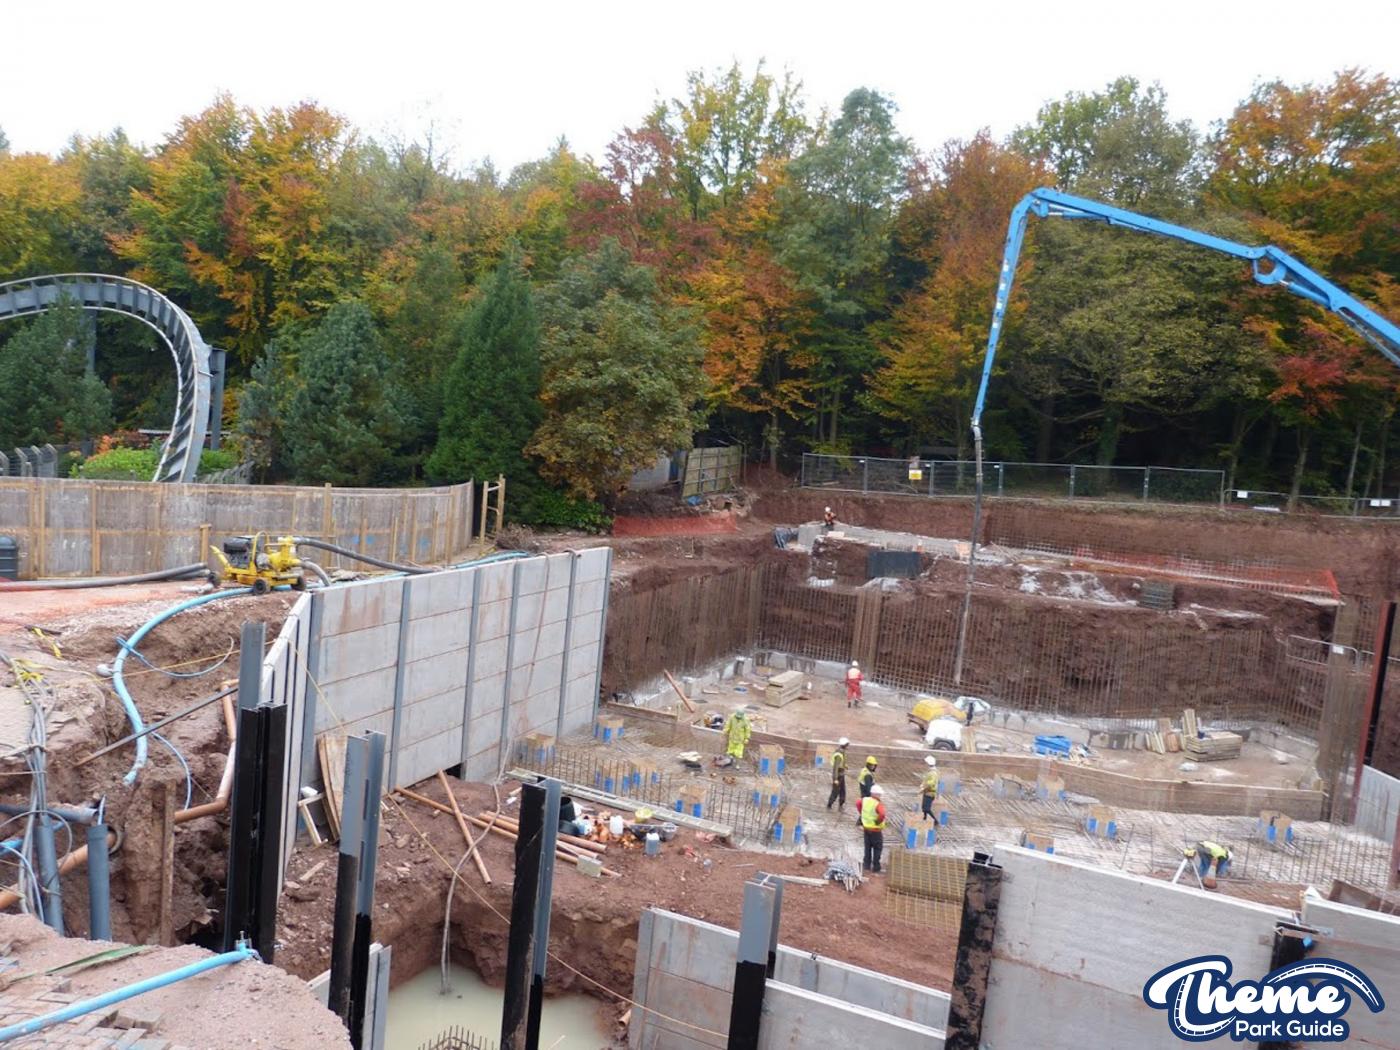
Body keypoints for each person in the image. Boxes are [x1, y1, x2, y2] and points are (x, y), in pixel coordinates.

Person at [860, 784, 887, 874]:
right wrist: (877, 822)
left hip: (866, 828)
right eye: (879, 794)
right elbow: (882, 814)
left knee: (867, 847)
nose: (880, 796)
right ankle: (876, 867)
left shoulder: (865, 800)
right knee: (877, 848)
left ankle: (866, 865)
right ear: (875, 794)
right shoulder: (878, 804)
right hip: (876, 830)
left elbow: (858, 803)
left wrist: (861, 813)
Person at [826, 737, 850, 812]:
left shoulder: (842, 752)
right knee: (835, 791)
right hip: (838, 775)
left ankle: (841, 804)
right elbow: (835, 768)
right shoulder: (838, 755)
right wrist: (835, 779)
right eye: (847, 744)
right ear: (845, 745)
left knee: (843, 790)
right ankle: (829, 804)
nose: (848, 746)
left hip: (841, 774)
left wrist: (844, 765)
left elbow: (840, 763)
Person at [920, 756, 940, 821]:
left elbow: (931, 783)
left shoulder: (933, 773)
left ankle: (935, 821)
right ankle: (924, 818)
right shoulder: (931, 771)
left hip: (930, 793)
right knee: (924, 807)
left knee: (927, 808)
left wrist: (924, 786)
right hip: (927, 792)